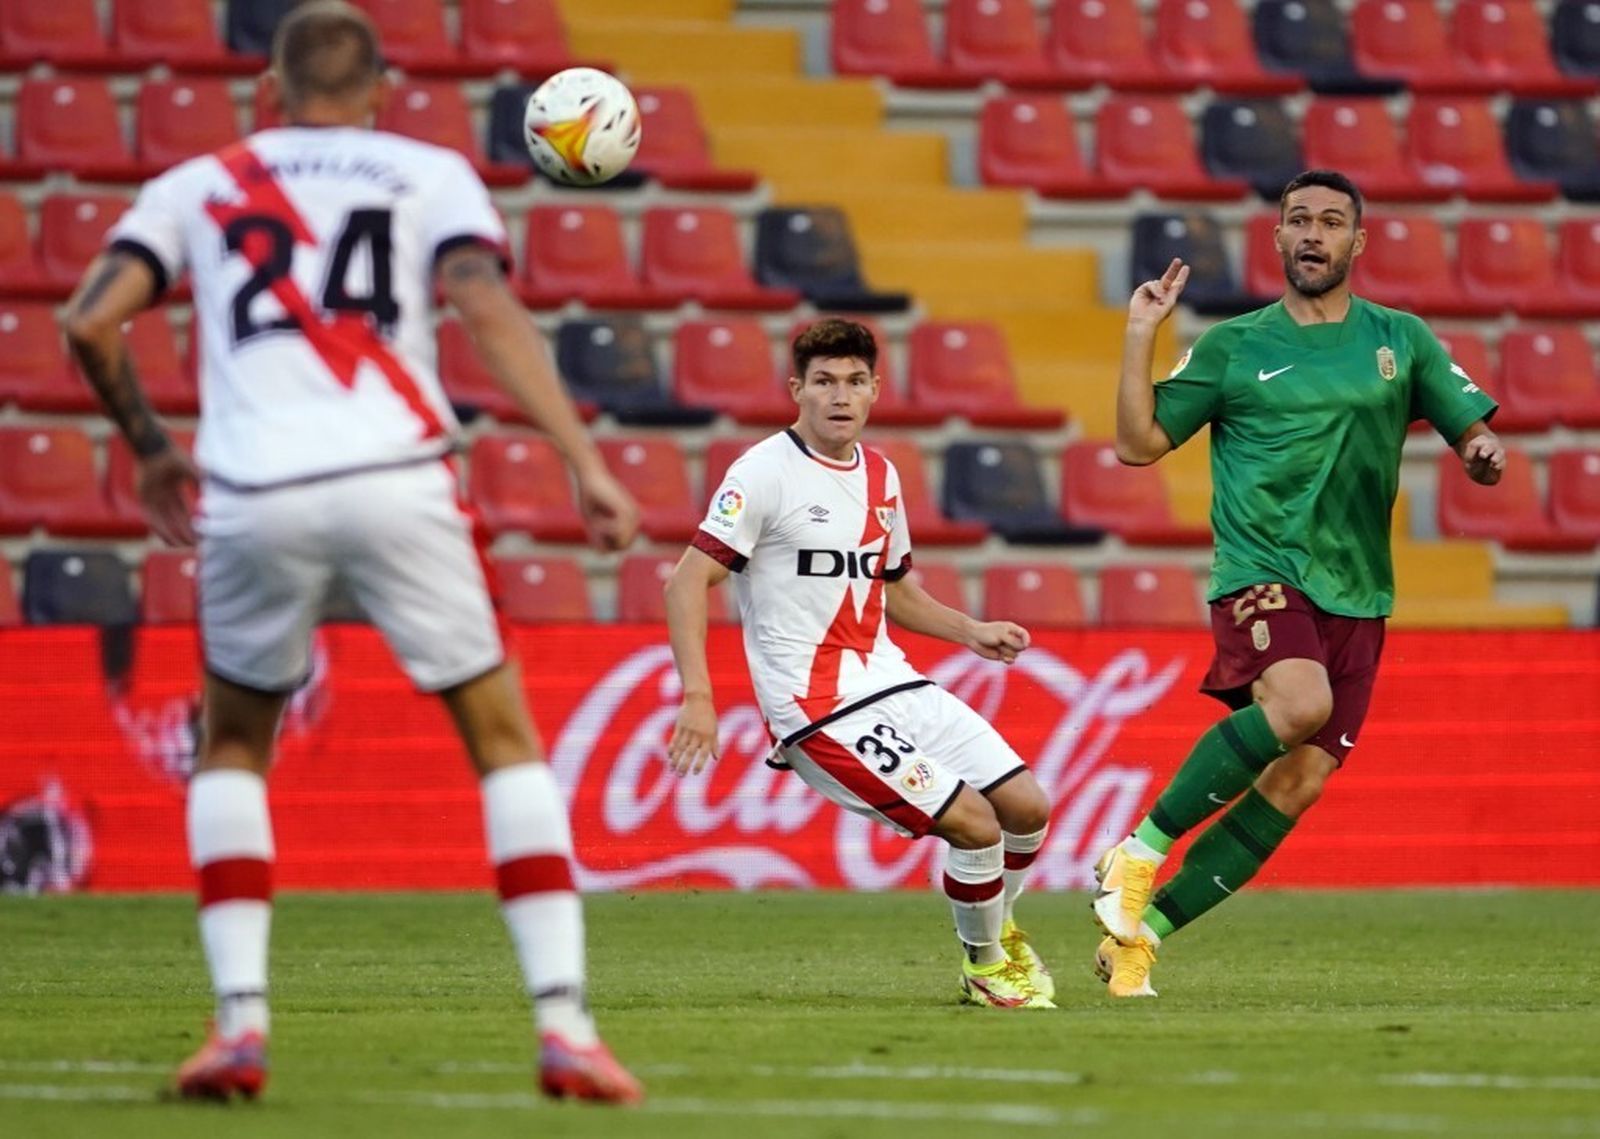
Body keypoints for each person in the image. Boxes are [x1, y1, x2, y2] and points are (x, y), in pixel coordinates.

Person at [61, 2, 643, 1105]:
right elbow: (485, 306)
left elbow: (90, 323)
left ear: (268, 94)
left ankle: (239, 1024)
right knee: (502, 734)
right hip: (396, 479)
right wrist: (582, 458)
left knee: (233, 741)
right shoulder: (426, 175)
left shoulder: (196, 186)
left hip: (251, 491)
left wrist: (148, 448)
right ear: (380, 93)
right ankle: (565, 1022)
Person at [1092, 169, 1505, 997]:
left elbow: (1475, 431)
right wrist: (1141, 332)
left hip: (1358, 588)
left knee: (1300, 778)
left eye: (1330, 222)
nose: (1312, 234)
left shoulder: (1402, 338)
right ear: (1277, 239)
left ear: (1358, 240)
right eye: (1297, 221)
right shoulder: (1234, 347)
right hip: (1261, 569)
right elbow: (1138, 444)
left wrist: (1479, 451)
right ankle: (1136, 849)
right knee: (1300, 704)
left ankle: (1143, 934)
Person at [663, 318, 1057, 1009]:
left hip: (887, 675)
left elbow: (895, 587)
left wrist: (970, 631)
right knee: (973, 822)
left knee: (1027, 806)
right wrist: (699, 694)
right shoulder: (761, 472)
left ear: (875, 390)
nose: (839, 396)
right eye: (823, 382)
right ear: (797, 391)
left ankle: (1000, 929)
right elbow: (686, 580)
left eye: (853, 381)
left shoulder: (881, 474)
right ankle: (987, 966)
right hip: (815, 705)